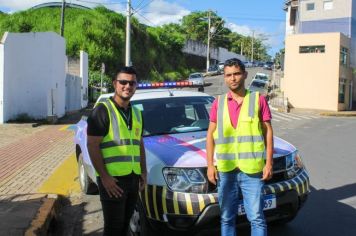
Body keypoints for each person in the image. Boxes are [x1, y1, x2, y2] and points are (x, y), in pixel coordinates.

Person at [206, 58, 273, 236]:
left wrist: (269, 163)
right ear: (224, 77)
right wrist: (210, 166)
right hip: (226, 171)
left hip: (252, 170)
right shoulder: (218, 103)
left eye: (236, 74)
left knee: (256, 218)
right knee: (227, 218)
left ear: (244, 75)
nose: (233, 78)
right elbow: (210, 135)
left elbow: (268, 132)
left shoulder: (257, 99)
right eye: (228, 75)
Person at [87, 66, 147, 236]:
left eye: (132, 83)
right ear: (115, 83)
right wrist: (105, 178)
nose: (127, 86)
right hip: (113, 181)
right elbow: (92, 145)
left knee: (124, 226)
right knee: (113, 228)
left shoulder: (137, 113)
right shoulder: (102, 111)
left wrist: (143, 171)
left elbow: (139, 143)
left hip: (133, 178)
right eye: (123, 82)